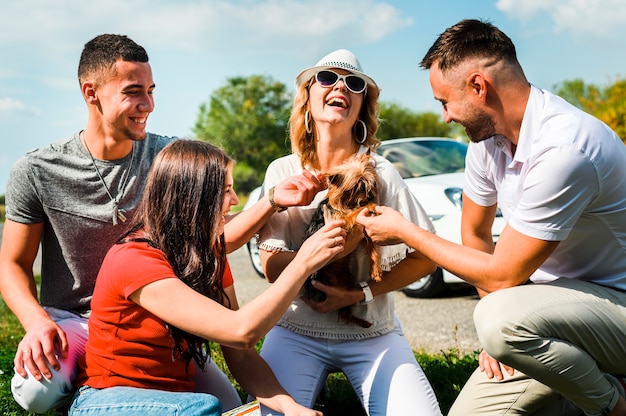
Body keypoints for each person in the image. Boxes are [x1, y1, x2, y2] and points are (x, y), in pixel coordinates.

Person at [0, 33, 324, 414]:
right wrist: (36, 323)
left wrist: (271, 201)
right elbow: (12, 265)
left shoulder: (168, 158)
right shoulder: (38, 170)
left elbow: (210, 235)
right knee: (38, 391)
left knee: (228, 404)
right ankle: (97, 397)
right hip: (76, 320)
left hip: (160, 311)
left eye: (151, 91)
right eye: (134, 92)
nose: (148, 105)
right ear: (92, 93)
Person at [356, 19, 626, 416]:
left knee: (499, 319)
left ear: (479, 87)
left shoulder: (565, 149)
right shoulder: (486, 144)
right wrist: (504, 339)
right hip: (549, 317)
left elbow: (502, 275)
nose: (445, 117)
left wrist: (406, 231)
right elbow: (475, 231)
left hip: (616, 308)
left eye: (444, 102)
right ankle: (576, 388)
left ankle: (612, 404)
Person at [67, 139, 342, 415]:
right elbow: (242, 331)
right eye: (226, 191)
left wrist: (290, 406)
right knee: (204, 408)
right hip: (105, 399)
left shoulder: (207, 255)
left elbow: (241, 353)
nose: (235, 201)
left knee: (237, 409)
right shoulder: (134, 260)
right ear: (192, 198)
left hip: (176, 400)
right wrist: (302, 263)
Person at [255, 49, 443, 416]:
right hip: (295, 329)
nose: (340, 85)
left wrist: (358, 292)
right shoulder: (283, 171)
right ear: (308, 95)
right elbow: (272, 267)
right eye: (327, 78)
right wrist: (329, 249)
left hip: (372, 333)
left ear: (361, 107)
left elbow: (426, 259)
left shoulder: (380, 172)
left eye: (353, 84)